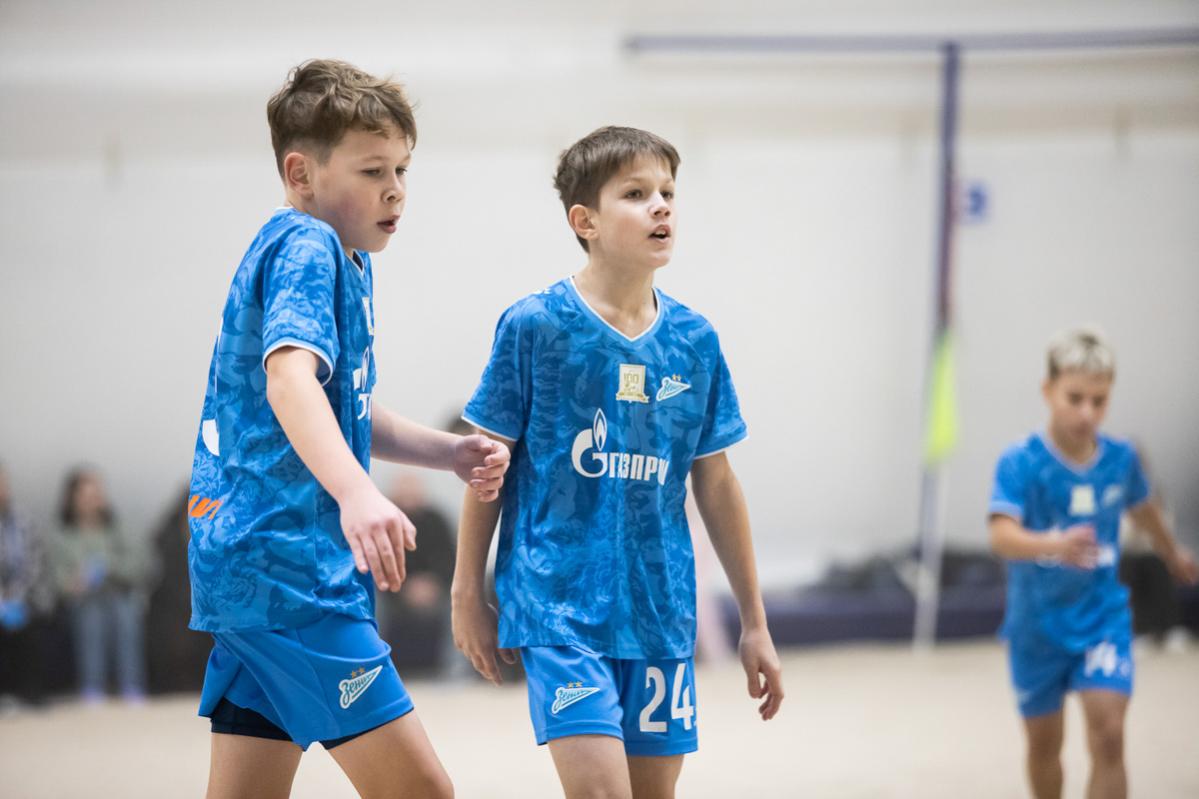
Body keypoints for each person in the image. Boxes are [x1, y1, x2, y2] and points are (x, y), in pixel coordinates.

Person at [187, 59, 509, 799]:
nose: (395, 189)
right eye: (371, 171)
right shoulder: (308, 245)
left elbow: (346, 408)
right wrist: (358, 492)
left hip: (253, 569)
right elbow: (289, 381)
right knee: (422, 790)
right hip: (289, 570)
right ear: (301, 174)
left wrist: (447, 452)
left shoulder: (349, 258)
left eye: (401, 169)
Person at [452, 126, 783, 799]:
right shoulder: (534, 325)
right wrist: (466, 593)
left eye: (667, 192)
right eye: (635, 194)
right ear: (586, 221)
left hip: (659, 610)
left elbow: (716, 482)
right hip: (557, 606)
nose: (660, 205)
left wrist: (755, 621)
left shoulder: (695, 339)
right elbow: (484, 466)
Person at [988, 329, 1199, 799]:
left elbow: (1143, 508)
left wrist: (1172, 551)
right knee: (1044, 747)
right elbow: (1000, 535)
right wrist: (1053, 544)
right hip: (1036, 628)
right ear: (1048, 390)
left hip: (1102, 619)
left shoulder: (1121, 459)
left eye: (1099, 401)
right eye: (1075, 398)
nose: (1087, 413)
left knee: (1109, 736)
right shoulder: (1019, 461)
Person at [47, 466, 148, 704]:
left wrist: (109, 565)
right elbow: (57, 580)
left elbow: (139, 566)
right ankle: (92, 687)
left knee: (125, 615)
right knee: (91, 617)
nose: (93, 501)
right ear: (72, 499)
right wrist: (75, 582)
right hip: (82, 601)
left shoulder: (118, 528)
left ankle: (131, 685)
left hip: (118, 595)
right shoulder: (62, 536)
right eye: (86, 496)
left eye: (97, 495)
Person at [376, 471, 455, 674]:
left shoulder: (436, 520)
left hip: (435, 588)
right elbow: (376, 563)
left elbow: (450, 559)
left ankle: (451, 667)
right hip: (393, 588)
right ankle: (381, 662)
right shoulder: (382, 523)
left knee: (457, 605)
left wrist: (434, 585)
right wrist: (403, 587)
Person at [0, 463, 52, 708]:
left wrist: (16, 596)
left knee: (33, 624)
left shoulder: (24, 520)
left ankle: (31, 694)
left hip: (24, 597)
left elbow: (35, 563)